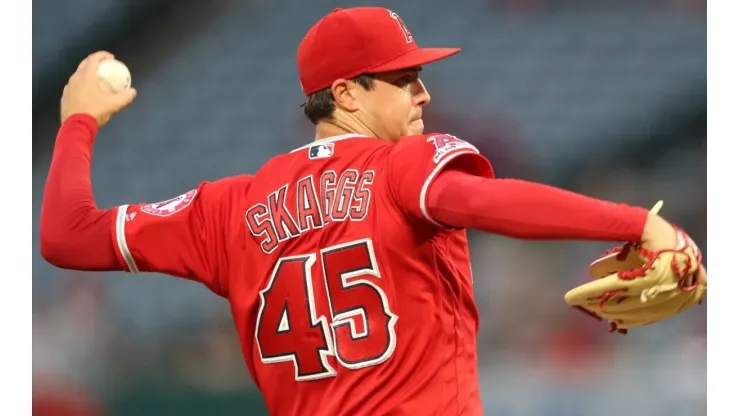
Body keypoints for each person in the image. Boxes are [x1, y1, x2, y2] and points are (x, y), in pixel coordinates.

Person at [40, 7, 705, 416]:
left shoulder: (226, 207)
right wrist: (640, 223)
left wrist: (77, 124)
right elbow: (479, 200)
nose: (424, 92)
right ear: (346, 95)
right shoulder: (403, 166)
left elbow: (67, 237)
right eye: (403, 78)